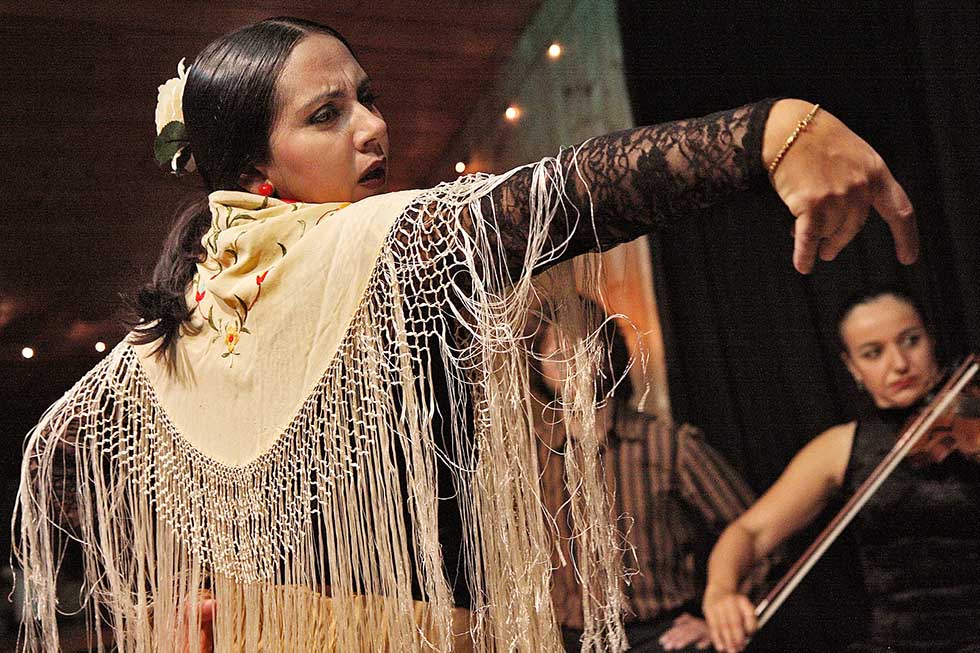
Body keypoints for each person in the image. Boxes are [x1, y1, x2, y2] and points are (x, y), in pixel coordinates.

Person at [14, 15, 918, 653]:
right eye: (327, 115)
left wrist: (206, 582)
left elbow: (53, 461)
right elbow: (565, 195)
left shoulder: (177, 332)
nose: (375, 127)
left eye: (365, 98)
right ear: (254, 162)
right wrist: (766, 135)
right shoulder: (372, 246)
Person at [702, 288, 980, 653]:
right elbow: (749, 532)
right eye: (873, 353)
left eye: (911, 341)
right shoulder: (841, 447)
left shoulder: (971, 417)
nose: (898, 363)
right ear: (853, 368)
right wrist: (720, 591)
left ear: (930, 340)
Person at [529, 310, 769, 652]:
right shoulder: (533, 459)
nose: (570, 360)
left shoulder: (666, 443)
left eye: (581, 345)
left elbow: (757, 532)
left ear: (606, 351)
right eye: (556, 352)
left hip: (659, 636)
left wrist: (719, 617)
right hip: (565, 640)